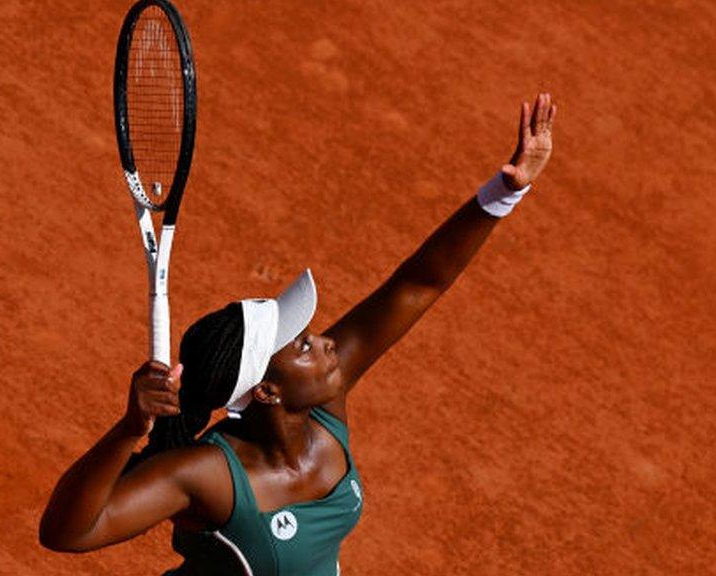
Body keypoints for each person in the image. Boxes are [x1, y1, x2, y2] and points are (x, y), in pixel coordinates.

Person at [40, 93, 557, 575]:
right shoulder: (209, 475)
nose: (329, 343)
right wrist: (130, 430)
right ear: (267, 390)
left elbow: (417, 285)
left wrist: (504, 193)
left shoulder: (323, 402)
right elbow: (68, 533)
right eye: (303, 344)